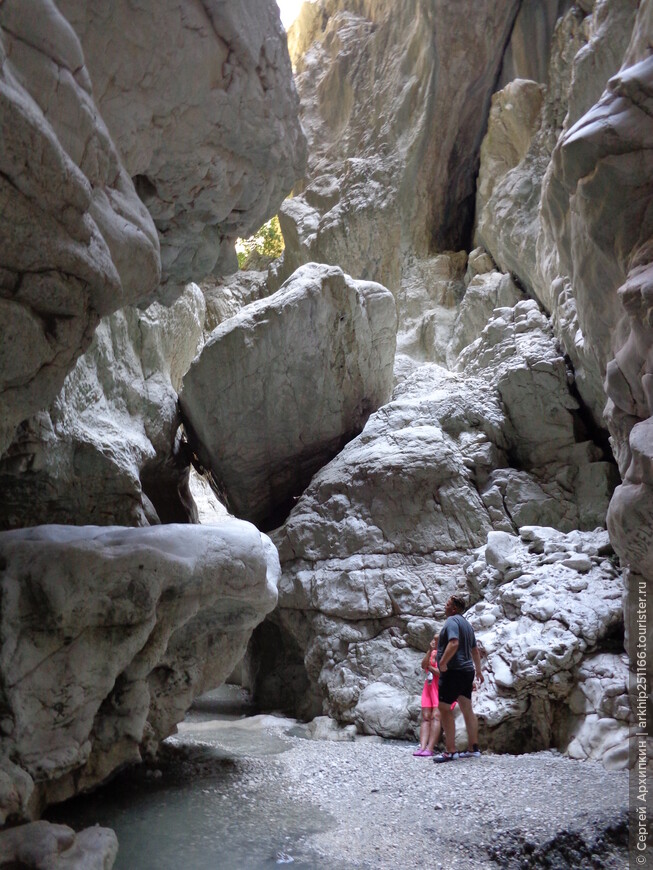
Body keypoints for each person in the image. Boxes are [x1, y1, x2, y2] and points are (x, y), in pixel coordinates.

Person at [433, 594, 484, 763]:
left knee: (444, 707)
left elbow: (453, 643)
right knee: (467, 709)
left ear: (453, 608)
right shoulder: (467, 625)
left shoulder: (451, 621)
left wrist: (442, 662)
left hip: (454, 670)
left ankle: (450, 751)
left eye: (447, 604)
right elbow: (475, 651)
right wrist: (478, 671)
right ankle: (473, 748)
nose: (445, 606)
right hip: (467, 671)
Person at [413, 634, 441, 757]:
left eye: (436, 640)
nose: (434, 642)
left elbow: (441, 672)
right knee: (425, 716)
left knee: (436, 716)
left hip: (440, 687)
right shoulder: (431, 652)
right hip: (429, 687)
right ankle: (422, 746)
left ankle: (430, 748)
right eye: (433, 639)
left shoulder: (446, 652)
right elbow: (423, 665)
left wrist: (429, 667)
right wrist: (429, 651)